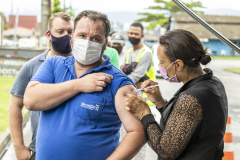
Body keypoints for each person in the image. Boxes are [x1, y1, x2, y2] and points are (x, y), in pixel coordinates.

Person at [24, 10, 145, 160]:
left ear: (105, 43)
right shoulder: (54, 64)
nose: (88, 42)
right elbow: (30, 100)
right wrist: (79, 85)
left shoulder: (119, 83)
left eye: (95, 38)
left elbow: (138, 132)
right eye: (82, 35)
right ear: (72, 38)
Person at [126, 29, 228, 160]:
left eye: (162, 62)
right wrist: (160, 102)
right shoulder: (212, 82)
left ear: (178, 64)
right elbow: (184, 125)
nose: (160, 66)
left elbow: (165, 151)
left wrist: (144, 114)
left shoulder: (191, 98)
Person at [8, 12, 73, 160]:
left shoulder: (82, 65)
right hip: (41, 150)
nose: (66, 36)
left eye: (70, 32)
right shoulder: (33, 66)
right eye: (60, 32)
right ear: (49, 35)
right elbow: (15, 105)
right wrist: (19, 147)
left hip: (75, 149)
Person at [120, 22, 156, 89]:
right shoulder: (129, 51)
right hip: (133, 91)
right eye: (131, 33)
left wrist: (120, 83)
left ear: (142, 36)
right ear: (128, 34)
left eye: (136, 34)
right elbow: (122, 70)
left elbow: (135, 76)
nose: (133, 36)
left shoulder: (146, 53)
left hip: (145, 94)